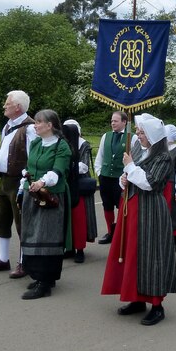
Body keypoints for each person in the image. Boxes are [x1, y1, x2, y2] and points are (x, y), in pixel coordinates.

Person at [102, 115, 176, 326]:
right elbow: (130, 177)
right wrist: (123, 179)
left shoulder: (163, 157)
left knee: (150, 255)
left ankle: (156, 305)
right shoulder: (136, 150)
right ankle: (136, 298)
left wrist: (130, 168)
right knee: (132, 254)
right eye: (138, 131)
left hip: (151, 211)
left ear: (153, 135)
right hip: (132, 208)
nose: (138, 134)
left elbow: (151, 183)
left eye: (142, 132)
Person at [0, 90, 36, 279]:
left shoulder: (30, 128)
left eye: (7, 103)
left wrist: (27, 182)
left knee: (22, 222)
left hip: (19, 181)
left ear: (18, 107)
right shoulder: (7, 127)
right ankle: (3, 259)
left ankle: (25, 261)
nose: (4, 106)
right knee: (2, 220)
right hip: (4, 180)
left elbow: (33, 157)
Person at [19, 109, 72, 299]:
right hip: (32, 194)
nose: (35, 125)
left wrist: (41, 182)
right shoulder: (35, 143)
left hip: (51, 196)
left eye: (39, 122)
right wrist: (24, 183)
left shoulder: (61, 146)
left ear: (50, 125)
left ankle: (45, 282)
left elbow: (58, 171)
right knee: (32, 233)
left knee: (46, 235)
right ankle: (40, 276)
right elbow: (29, 166)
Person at [63, 119, 98, 263]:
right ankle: (69, 247)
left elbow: (84, 166)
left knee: (79, 218)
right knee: (68, 216)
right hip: (67, 182)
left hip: (79, 184)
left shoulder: (83, 144)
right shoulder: (63, 144)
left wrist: (66, 166)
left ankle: (79, 249)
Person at [95, 111, 132, 244]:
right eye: (111, 121)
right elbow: (100, 155)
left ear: (124, 122)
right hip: (105, 177)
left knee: (122, 206)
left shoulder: (130, 137)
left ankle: (122, 233)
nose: (112, 123)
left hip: (120, 179)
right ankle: (110, 232)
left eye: (115, 121)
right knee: (107, 206)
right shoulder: (106, 136)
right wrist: (99, 172)